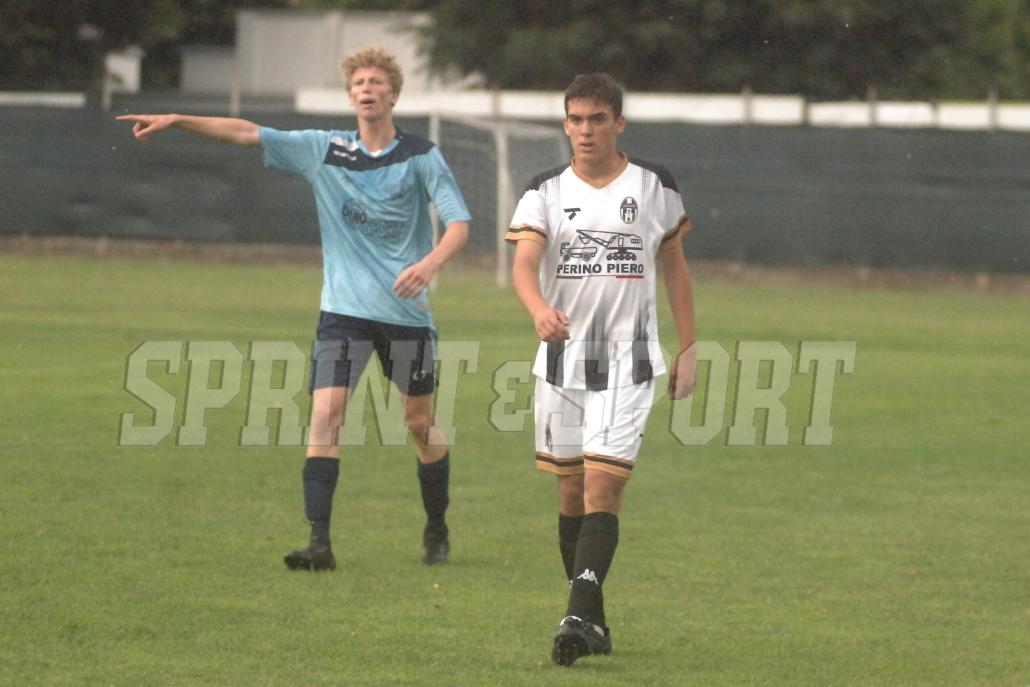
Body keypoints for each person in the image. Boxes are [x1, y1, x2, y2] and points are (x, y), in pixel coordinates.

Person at [118, 46, 471, 570]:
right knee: (326, 416)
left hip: (406, 314)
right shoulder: (322, 149)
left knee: (420, 423)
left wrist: (431, 263)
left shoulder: (421, 155)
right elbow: (247, 132)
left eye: (376, 82)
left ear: (394, 95)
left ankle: (436, 524)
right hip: (343, 312)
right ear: (350, 97)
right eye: (359, 83)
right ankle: (319, 543)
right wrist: (177, 120)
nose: (367, 89)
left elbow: (459, 223)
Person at [506, 73, 697, 666]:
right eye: (575, 119)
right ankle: (592, 618)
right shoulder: (543, 189)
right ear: (565, 124)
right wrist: (539, 310)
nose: (585, 130)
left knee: (603, 486)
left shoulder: (654, 184)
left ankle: (574, 618)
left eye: (597, 119)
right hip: (561, 362)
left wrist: (689, 346)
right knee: (570, 491)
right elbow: (524, 264)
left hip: (629, 363)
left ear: (619, 122)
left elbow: (675, 267)